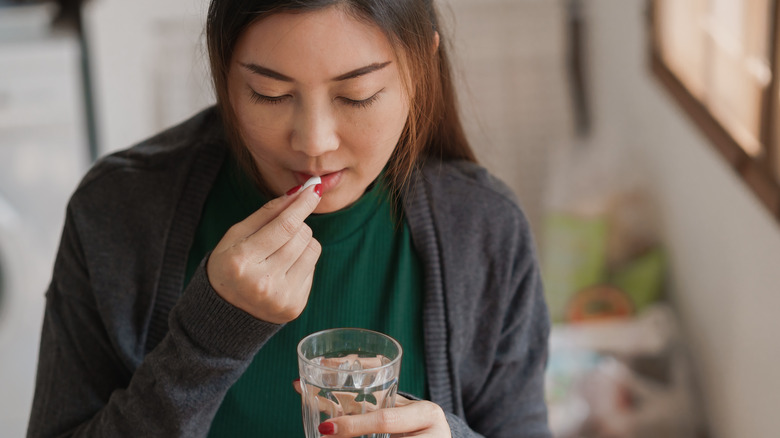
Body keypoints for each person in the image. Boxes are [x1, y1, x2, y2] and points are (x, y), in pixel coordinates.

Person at [27, 0, 551, 437]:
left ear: (421, 68)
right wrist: (210, 338)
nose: (314, 142)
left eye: (357, 95)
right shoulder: (117, 211)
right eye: (270, 94)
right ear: (223, 74)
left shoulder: (486, 229)